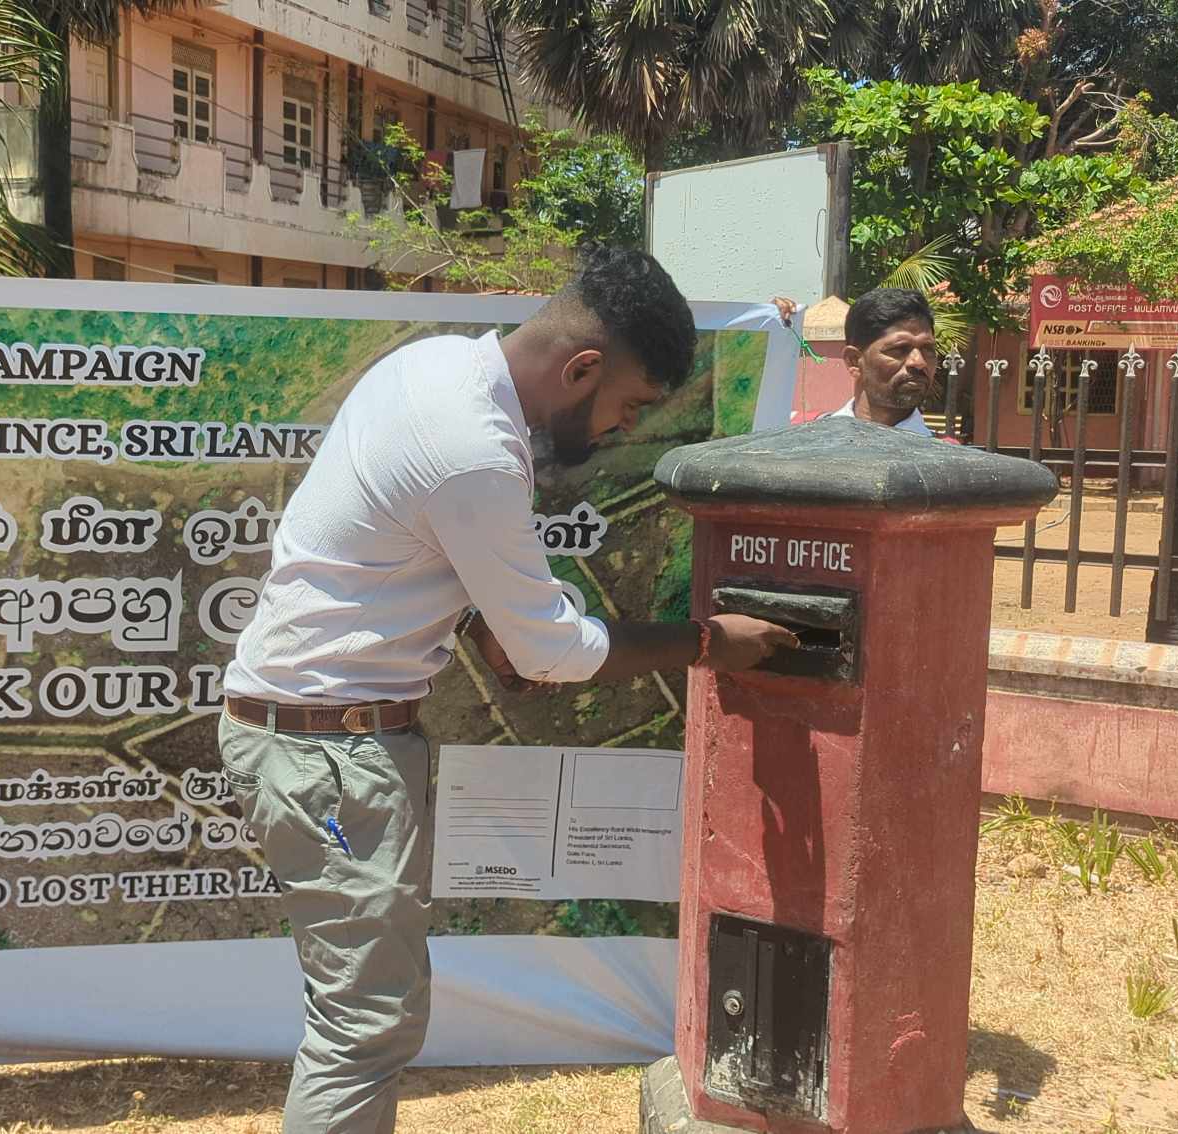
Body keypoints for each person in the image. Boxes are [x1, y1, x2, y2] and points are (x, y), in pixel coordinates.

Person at [219, 247, 800, 1134]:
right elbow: (551, 653)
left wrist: (488, 617)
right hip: (327, 756)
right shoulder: (476, 452)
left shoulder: (431, 366)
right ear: (582, 369)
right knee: (362, 1028)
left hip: (319, 741)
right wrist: (711, 641)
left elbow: (403, 554)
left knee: (360, 1013)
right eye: (628, 407)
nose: (616, 430)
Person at [830, 287, 941, 436]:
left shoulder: (950, 457)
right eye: (900, 349)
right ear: (854, 361)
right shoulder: (810, 447)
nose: (919, 362)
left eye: (927, 349)